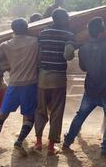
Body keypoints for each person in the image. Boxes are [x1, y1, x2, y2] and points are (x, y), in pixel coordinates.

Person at [62, 17, 106, 156]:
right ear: (102, 32)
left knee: (80, 115)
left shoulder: (83, 49)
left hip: (91, 89)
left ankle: (68, 141)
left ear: (89, 32)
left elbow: (83, 68)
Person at [0, 18, 39, 155]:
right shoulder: (34, 42)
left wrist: (7, 67)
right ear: (26, 28)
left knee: (2, 115)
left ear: (13, 30)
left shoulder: (5, 45)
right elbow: (39, 60)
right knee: (29, 116)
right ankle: (19, 141)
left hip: (13, 84)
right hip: (30, 84)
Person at [34, 8, 75, 155]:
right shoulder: (69, 34)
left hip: (42, 78)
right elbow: (68, 55)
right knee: (56, 112)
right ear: (63, 19)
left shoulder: (43, 33)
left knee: (40, 109)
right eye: (67, 17)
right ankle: (51, 147)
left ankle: (38, 142)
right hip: (58, 78)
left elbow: (38, 54)